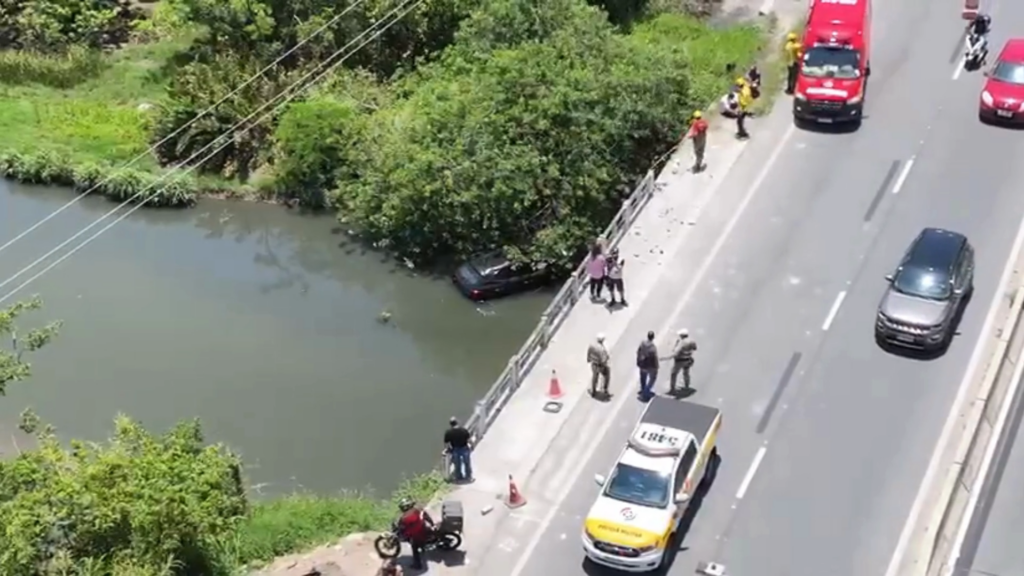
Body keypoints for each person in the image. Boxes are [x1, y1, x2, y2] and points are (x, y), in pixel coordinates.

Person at [397, 497, 435, 570]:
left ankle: (417, 565)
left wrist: (403, 531)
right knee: (419, 541)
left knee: (414, 548)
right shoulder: (416, 510)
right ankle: (423, 548)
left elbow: (402, 526)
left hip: (418, 534)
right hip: (422, 528)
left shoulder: (405, 518)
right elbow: (424, 514)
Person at [443, 417, 473, 483]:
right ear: (457, 422)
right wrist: (472, 446)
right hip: (464, 448)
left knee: (457, 464)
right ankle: (468, 477)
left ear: (450, 424)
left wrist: (448, 449)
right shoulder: (464, 430)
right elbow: (469, 440)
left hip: (455, 449)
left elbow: (446, 443)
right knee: (467, 463)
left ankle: (459, 477)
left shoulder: (448, 432)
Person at [669, 328, 698, 392]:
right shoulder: (692, 341)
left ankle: (672, 388)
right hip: (688, 360)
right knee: (686, 373)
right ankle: (686, 385)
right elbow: (695, 348)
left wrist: (668, 356)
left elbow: (676, 353)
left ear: (682, 336)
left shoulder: (682, 343)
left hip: (680, 361)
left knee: (673, 374)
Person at [636, 331, 659, 400]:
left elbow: (638, 352)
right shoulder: (653, 348)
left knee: (643, 377)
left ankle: (643, 389)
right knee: (653, 378)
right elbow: (654, 358)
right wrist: (656, 366)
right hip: (649, 366)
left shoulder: (642, 343)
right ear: (653, 337)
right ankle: (646, 391)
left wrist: (638, 361)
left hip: (642, 364)